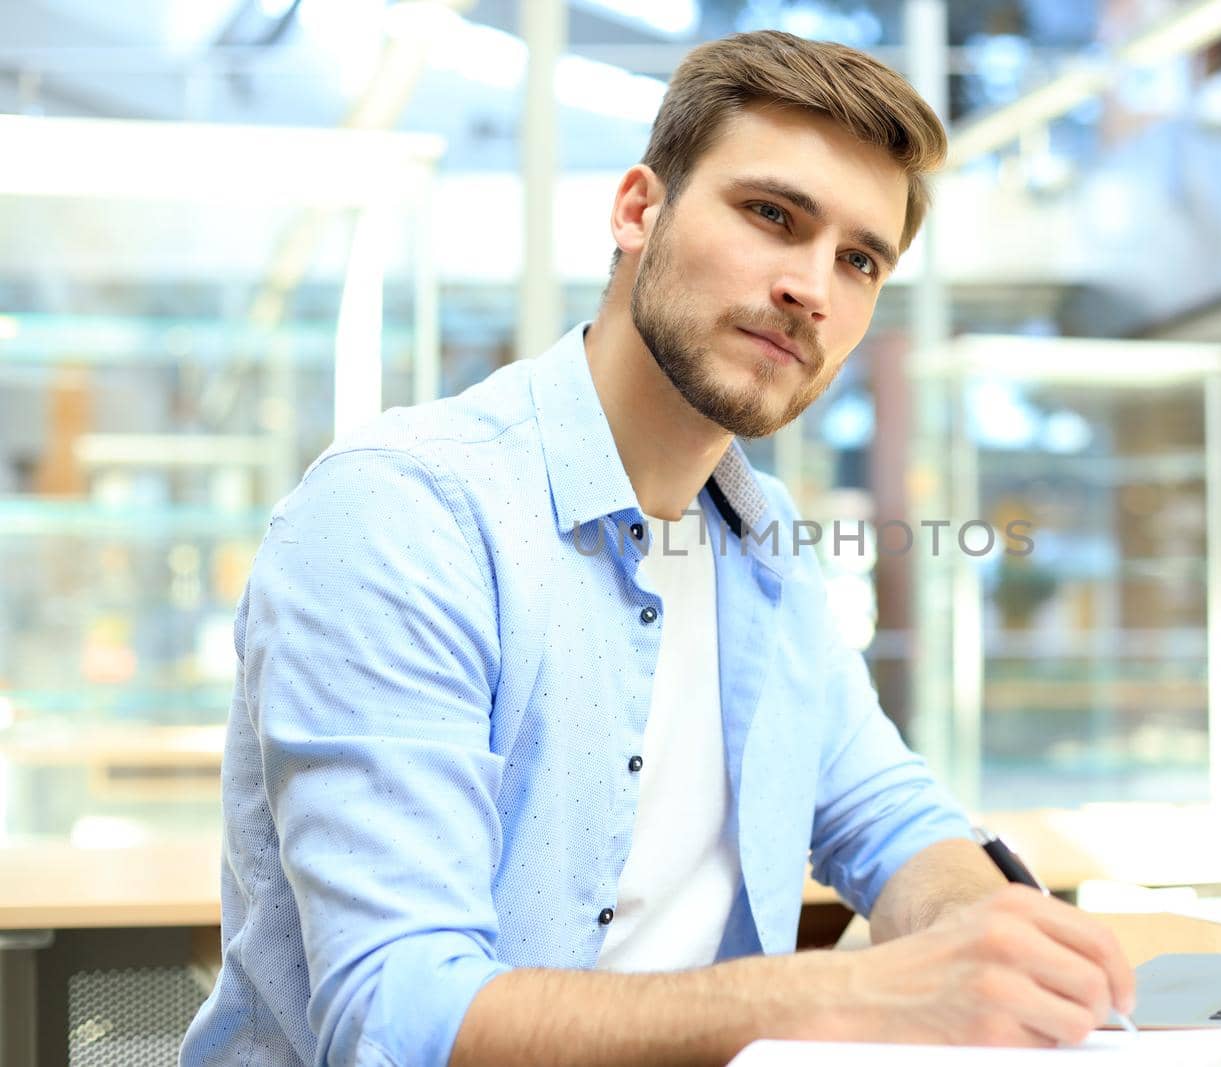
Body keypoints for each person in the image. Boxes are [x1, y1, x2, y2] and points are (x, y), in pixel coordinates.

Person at [180, 29, 1135, 1067]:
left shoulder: (761, 539)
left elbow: (886, 812)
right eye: (773, 215)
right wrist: (860, 989)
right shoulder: (403, 513)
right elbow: (402, 1014)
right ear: (639, 210)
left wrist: (973, 929)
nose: (812, 286)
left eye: (859, 259)